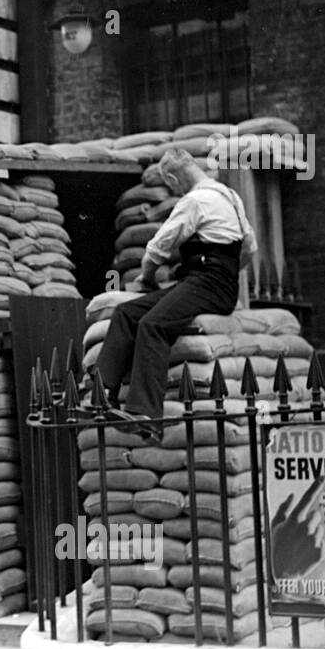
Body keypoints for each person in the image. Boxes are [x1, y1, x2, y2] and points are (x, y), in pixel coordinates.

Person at [92, 148, 258, 440]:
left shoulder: (194, 201)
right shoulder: (231, 198)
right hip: (212, 284)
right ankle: (101, 394)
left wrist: (146, 278)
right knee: (126, 313)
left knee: (153, 325)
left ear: (172, 177)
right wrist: (229, 274)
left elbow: (156, 250)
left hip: (205, 284)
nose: (171, 190)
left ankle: (146, 414)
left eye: (169, 185)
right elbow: (249, 250)